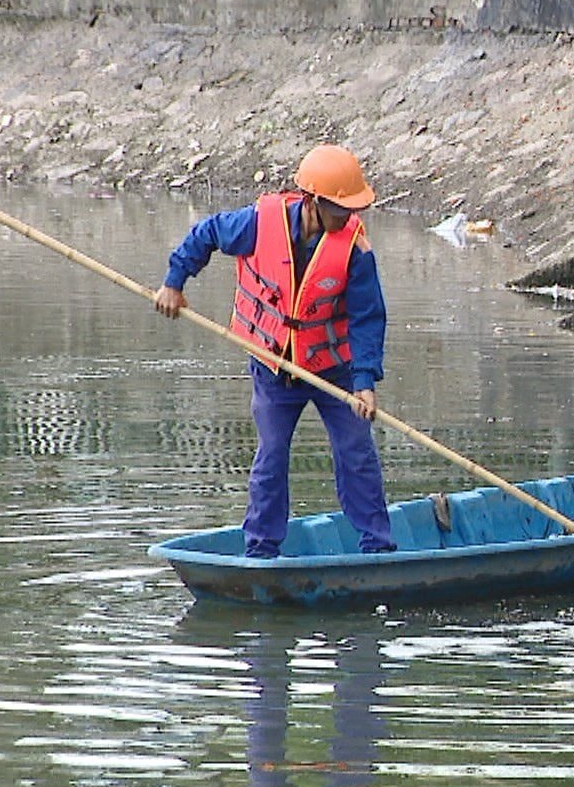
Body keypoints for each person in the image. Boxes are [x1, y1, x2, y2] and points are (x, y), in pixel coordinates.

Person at [153, 145, 396, 558]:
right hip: (274, 368)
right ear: (312, 201)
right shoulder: (258, 223)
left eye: (351, 209)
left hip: (333, 370)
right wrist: (175, 282)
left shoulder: (354, 249)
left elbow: (367, 317)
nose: (347, 217)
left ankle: (377, 547)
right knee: (271, 455)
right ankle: (262, 550)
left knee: (356, 451)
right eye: (339, 208)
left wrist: (364, 381)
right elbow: (207, 233)